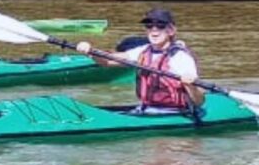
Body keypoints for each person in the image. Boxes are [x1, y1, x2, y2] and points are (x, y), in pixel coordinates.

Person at [75, 8, 206, 114]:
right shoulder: (143, 51)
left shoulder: (180, 58)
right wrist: (91, 51)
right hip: (146, 109)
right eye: (149, 25)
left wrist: (190, 86)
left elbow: (199, 101)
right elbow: (108, 62)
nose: (154, 30)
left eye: (160, 25)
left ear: (171, 30)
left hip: (174, 111)